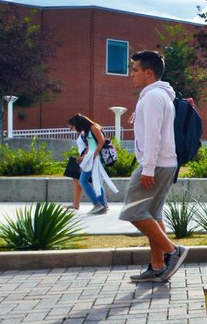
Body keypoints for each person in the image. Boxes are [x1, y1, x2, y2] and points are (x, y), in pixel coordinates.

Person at [121, 50, 189, 283]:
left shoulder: (151, 97)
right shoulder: (159, 95)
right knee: (153, 214)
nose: (132, 74)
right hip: (165, 163)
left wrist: (148, 168)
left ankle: (173, 252)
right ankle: (158, 266)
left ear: (148, 73)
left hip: (156, 165)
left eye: (135, 70)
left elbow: (152, 135)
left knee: (133, 211)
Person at [68, 113, 117, 214]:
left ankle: (97, 204)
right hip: (91, 157)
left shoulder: (94, 128)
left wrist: (94, 155)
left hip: (95, 157)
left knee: (83, 180)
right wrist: (84, 158)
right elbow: (90, 146)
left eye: (73, 127)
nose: (74, 129)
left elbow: (101, 141)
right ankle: (102, 205)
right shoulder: (87, 130)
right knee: (95, 181)